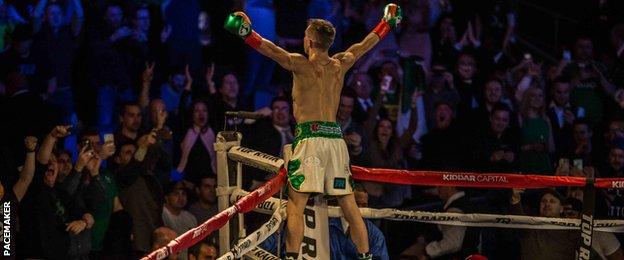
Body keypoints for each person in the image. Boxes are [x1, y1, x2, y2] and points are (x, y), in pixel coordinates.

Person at [224, 4, 402, 259]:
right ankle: (366, 257)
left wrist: (244, 31)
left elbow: (269, 49)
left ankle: (292, 257)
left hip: (310, 139)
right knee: (349, 206)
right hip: (335, 140)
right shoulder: (342, 63)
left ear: (309, 41)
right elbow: (366, 44)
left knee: (296, 205)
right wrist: (387, 23)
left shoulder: (300, 64)